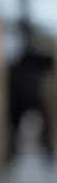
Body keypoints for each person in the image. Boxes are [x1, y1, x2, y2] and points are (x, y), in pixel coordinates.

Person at [5, 16, 55, 164]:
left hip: (28, 93)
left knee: (42, 122)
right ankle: (13, 151)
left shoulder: (31, 48)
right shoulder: (15, 47)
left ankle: (46, 149)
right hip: (24, 93)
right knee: (16, 125)